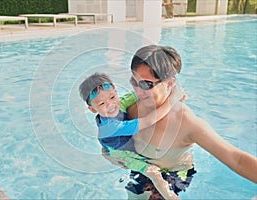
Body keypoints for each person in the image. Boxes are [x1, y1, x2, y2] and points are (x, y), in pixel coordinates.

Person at [104, 45, 257, 198]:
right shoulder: (128, 107)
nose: (138, 91)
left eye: (146, 84)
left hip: (173, 174)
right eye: (134, 81)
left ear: (169, 83)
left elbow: (236, 159)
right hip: (143, 169)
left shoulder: (185, 122)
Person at [79, 73, 185, 199]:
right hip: (121, 154)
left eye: (112, 97)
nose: (110, 105)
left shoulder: (121, 103)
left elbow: (139, 94)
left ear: (116, 93)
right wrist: (172, 100)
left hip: (114, 144)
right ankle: (170, 197)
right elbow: (149, 120)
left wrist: (166, 90)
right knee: (153, 172)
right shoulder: (111, 127)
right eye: (101, 104)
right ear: (92, 109)